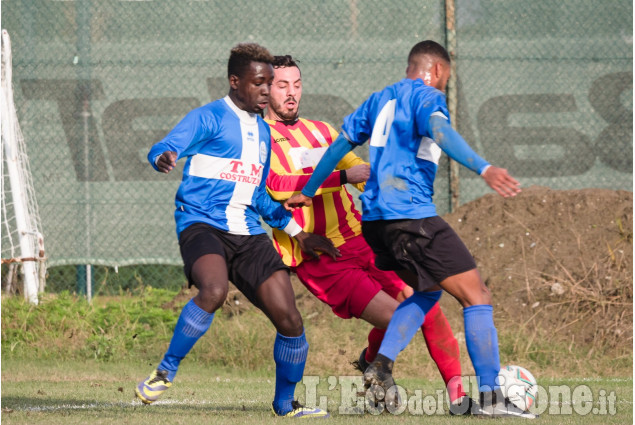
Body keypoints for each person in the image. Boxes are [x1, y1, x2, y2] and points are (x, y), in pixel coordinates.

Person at [284, 40, 536, 419]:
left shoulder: (380, 98)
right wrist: (484, 168)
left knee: (427, 292)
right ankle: (490, 396)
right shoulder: (426, 96)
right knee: (477, 295)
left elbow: (338, 145)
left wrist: (307, 191)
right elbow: (441, 131)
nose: (444, 87)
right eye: (445, 80)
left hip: (375, 224)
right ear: (435, 71)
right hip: (411, 217)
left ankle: (380, 366)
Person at [134, 43, 338, 419]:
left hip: (246, 231)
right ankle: (166, 370)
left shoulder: (262, 133)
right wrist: (162, 156)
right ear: (235, 81)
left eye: (269, 84)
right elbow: (164, 146)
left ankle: (284, 405)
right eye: (259, 83)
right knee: (214, 290)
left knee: (291, 321)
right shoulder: (208, 118)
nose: (266, 91)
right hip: (201, 223)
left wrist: (300, 234)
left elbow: (259, 195)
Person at [264, 54, 472, 414]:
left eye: (297, 84)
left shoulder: (322, 131)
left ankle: (457, 396)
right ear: (265, 90)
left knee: (426, 302)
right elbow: (278, 187)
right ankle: (376, 365)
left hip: (362, 239)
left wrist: (383, 181)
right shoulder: (258, 137)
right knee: (398, 318)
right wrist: (343, 178)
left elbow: (359, 168)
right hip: (319, 257)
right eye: (283, 85)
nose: (292, 93)